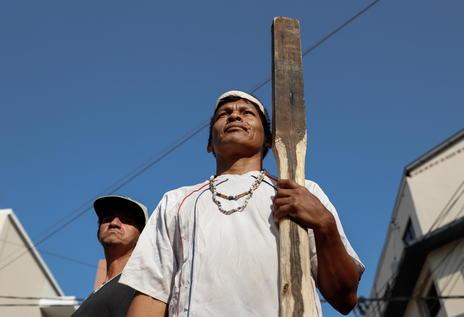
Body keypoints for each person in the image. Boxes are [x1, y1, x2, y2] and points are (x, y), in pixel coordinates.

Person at [120, 90, 364, 316]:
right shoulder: (176, 201)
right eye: (223, 114)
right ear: (209, 144)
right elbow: (151, 293)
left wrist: (325, 224)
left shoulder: (300, 190)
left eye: (247, 112)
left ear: (269, 141)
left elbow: (345, 299)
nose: (235, 115)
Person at [72, 195, 148, 317]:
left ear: (142, 236)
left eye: (127, 220)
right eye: (107, 219)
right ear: (98, 233)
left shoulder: (144, 283)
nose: (114, 223)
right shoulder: (91, 299)